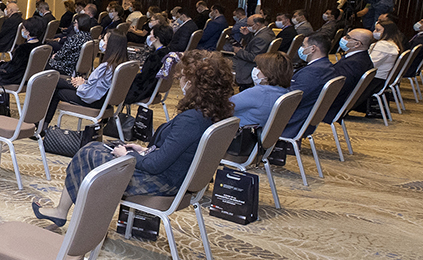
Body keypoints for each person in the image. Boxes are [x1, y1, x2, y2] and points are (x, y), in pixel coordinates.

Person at [33, 51, 235, 227]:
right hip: (174, 177)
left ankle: (75, 219)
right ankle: (71, 214)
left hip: (160, 182)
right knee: (104, 147)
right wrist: (144, 151)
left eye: (182, 77)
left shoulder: (191, 120)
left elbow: (155, 165)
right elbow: (177, 151)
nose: (178, 80)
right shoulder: (211, 113)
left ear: (192, 84)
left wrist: (129, 156)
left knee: (89, 152)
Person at [41, 31, 130, 131]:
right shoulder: (121, 65)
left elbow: (90, 94)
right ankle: (42, 125)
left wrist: (80, 85)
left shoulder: (106, 67)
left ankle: (42, 126)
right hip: (103, 99)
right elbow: (99, 85)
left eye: (104, 40)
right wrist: (83, 82)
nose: (101, 42)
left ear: (111, 45)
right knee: (59, 81)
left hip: (93, 99)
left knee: (57, 89)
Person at [0, 16, 44, 96]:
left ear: (28, 32)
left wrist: (3, 64)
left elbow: (12, 68)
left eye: (23, 28)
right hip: (31, 80)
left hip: (16, 80)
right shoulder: (42, 47)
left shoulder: (23, 48)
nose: (22, 30)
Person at [231, 52, 293, 128]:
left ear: (268, 73)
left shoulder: (259, 92)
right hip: (256, 130)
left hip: (234, 130)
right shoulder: (284, 91)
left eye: (259, 67)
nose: (255, 69)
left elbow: (224, 106)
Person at [232, 15, 275, 88]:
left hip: (251, 65)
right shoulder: (268, 32)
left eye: (249, 25)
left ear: (257, 24)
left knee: (225, 63)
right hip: (264, 61)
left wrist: (239, 51)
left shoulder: (261, 38)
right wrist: (247, 35)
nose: (247, 27)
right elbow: (253, 44)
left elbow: (254, 57)